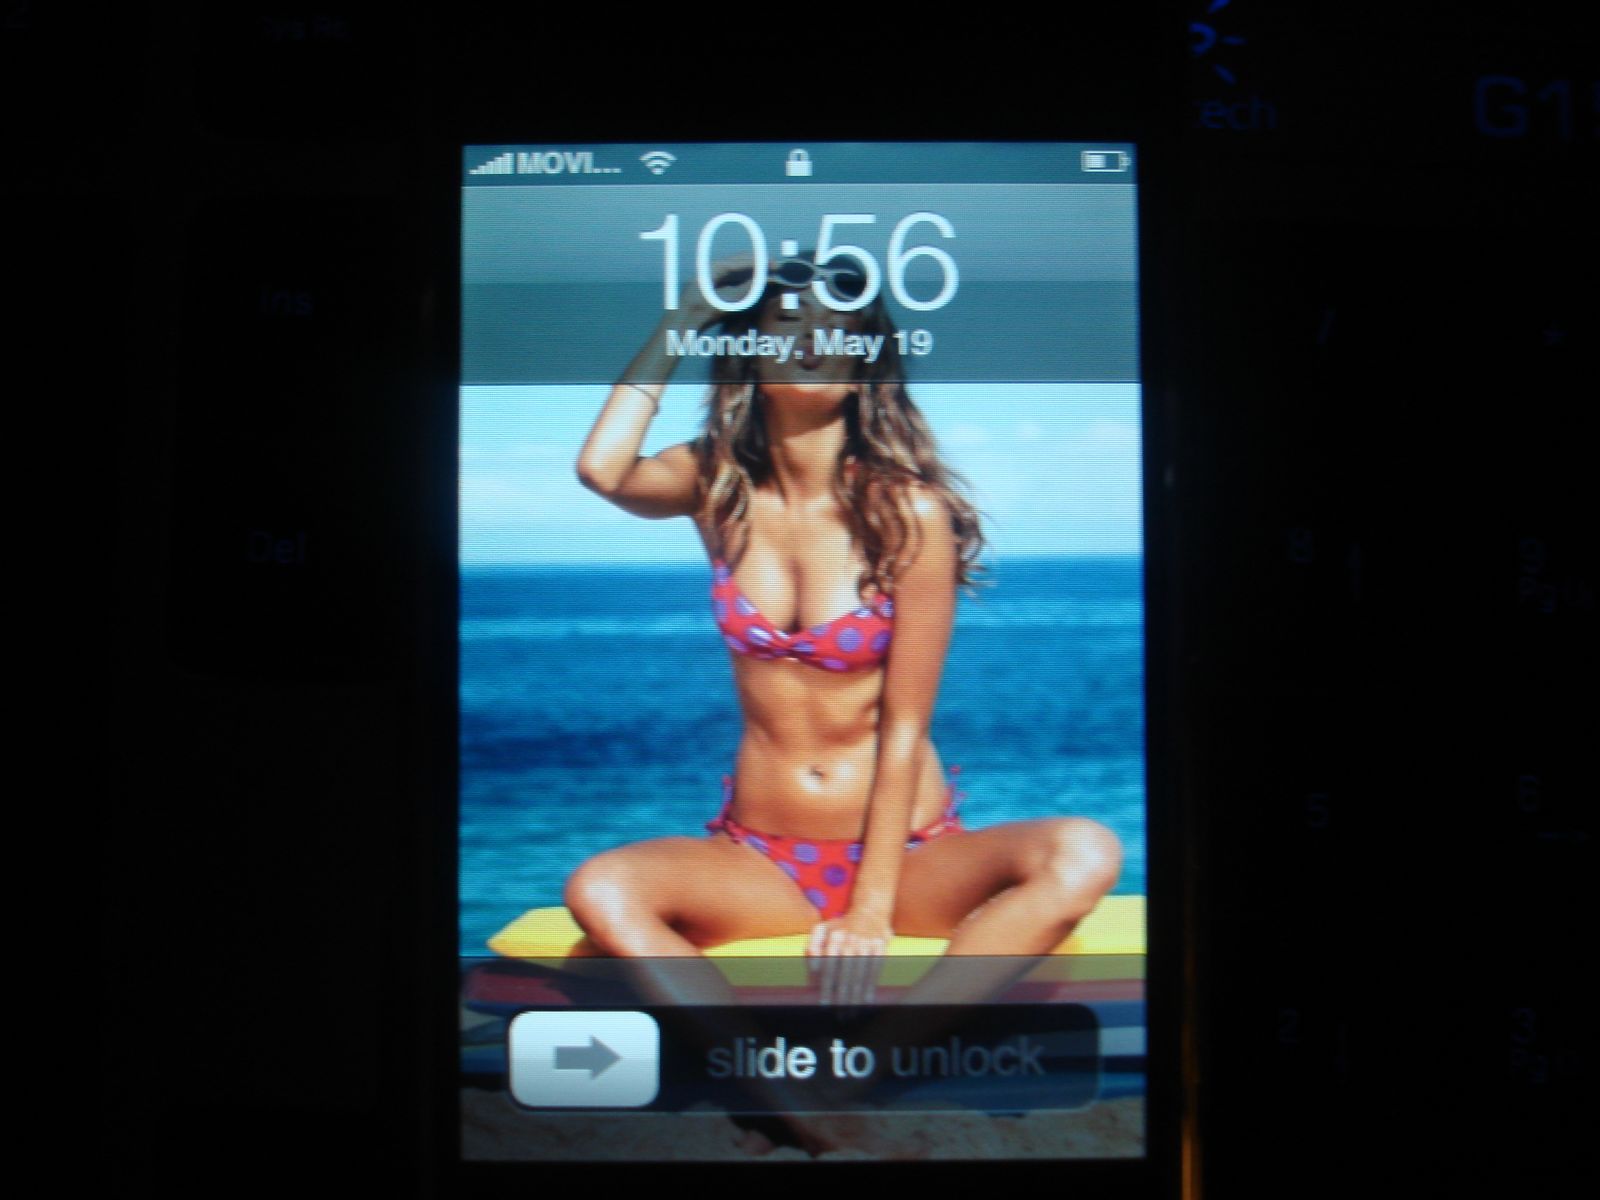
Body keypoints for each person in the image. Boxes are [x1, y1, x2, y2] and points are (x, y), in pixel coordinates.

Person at [567, 256, 1122, 969]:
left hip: (908, 860)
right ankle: (758, 1051)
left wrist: (870, 908)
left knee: (1083, 851)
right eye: (786, 322)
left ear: (864, 367)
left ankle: (899, 1036)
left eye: (836, 327)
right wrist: (687, 318)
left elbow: (904, 726)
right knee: (601, 888)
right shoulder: (716, 486)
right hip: (762, 857)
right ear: (750, 352)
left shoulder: (906, 511)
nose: (811, 338)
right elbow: (603, 469)